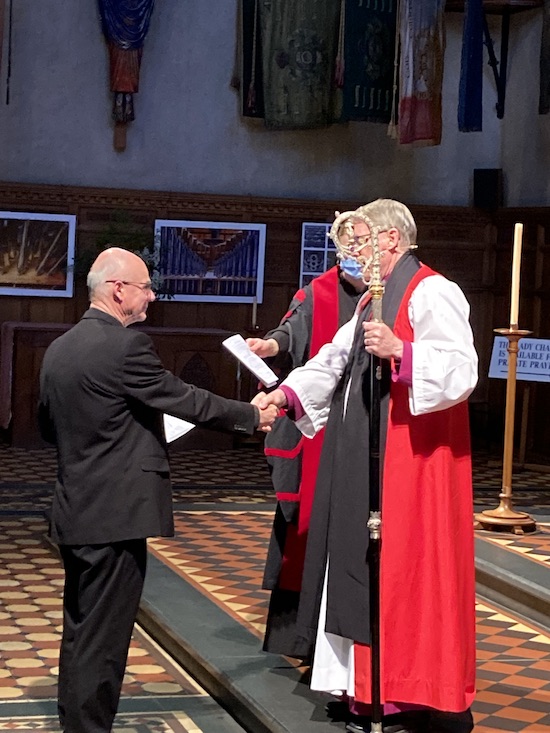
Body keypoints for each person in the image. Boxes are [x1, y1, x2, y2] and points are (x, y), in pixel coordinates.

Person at [253, 199, 478, 733]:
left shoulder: (431, 290)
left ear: (392, 241)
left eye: (357, 243)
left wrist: (403, 350)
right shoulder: (365, 305)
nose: (347, 255)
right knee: (355, 562)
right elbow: (332, 360)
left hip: (411, 461)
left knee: (402, 569)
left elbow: (462, 369)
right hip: (358, 451)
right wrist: (284, 398)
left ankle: (402, 691)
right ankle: (362, 688)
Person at [38, 247, 278, 733]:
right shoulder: (127, 347)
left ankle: (76, 724)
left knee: (82, 631)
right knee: (104, 640)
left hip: (75, 508)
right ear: (118, 289)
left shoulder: (59, 348)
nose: (152, 294)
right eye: (145, 285)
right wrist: (252, 416)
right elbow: (183, 398)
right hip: (116, 513)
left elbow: (48, 427)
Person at [247, 247, 365, 661]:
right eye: (347, 252)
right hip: (315, 423)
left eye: (360, 250)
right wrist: (270, 346)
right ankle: (296, 636)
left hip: (362, 423)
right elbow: (291, 333)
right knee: (304, 524)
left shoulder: (385, 296)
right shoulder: (318, 292)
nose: (354, 259)